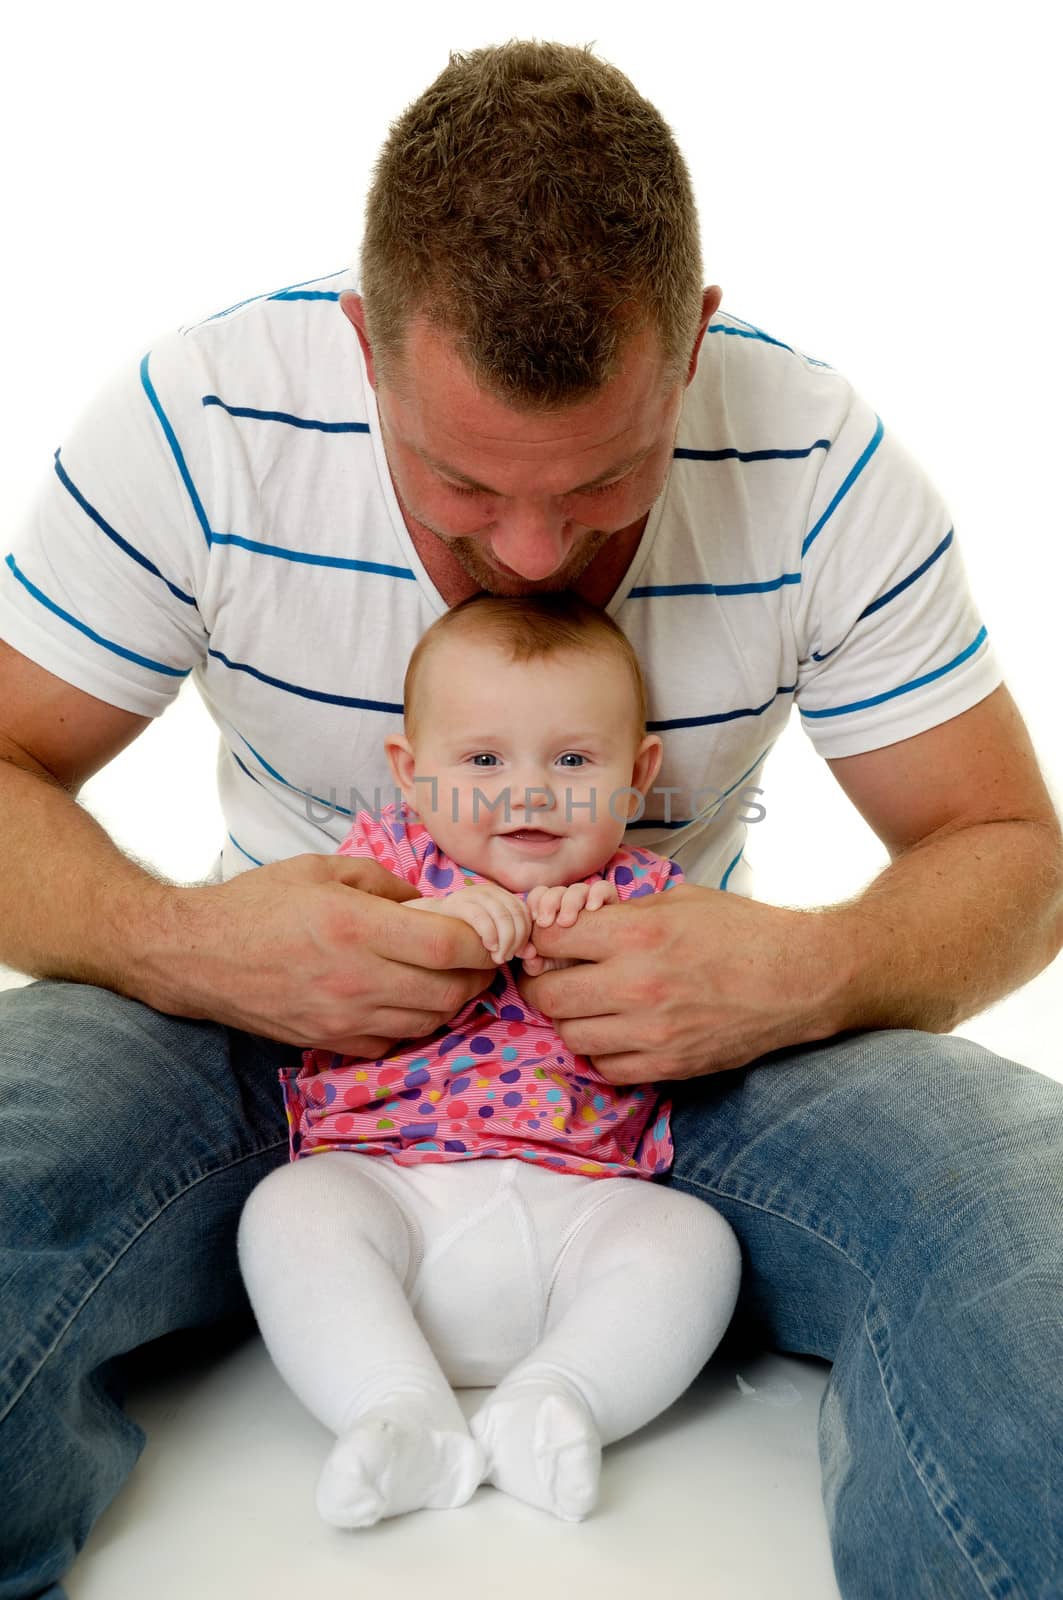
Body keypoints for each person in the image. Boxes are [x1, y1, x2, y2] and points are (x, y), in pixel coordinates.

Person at [0, 35, 1059, 1600]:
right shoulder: (202, 418)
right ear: (364, 347)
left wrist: (801, 972)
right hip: (248, 1021)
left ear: (689, 349)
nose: (537, 550)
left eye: (602, 483)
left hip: (695, 1052)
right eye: (460, 488)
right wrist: (185, 945)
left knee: (1025, 1251)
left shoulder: (817, 457)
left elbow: (1011, 855)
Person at [237, 592, 742, 1527]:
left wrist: (601, 940)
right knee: (290, 1212)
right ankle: (394, 1407)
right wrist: (431, 926)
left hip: (585, 1206)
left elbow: (691, 983)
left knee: (692, 1245)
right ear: (412, 773)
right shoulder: (389, 867)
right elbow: (344, 949)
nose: (529, 792)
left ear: (636, 778)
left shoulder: (645, 892)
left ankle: (558, 1399)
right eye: (482, 760)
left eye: (573, 760)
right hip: (390, 1189)